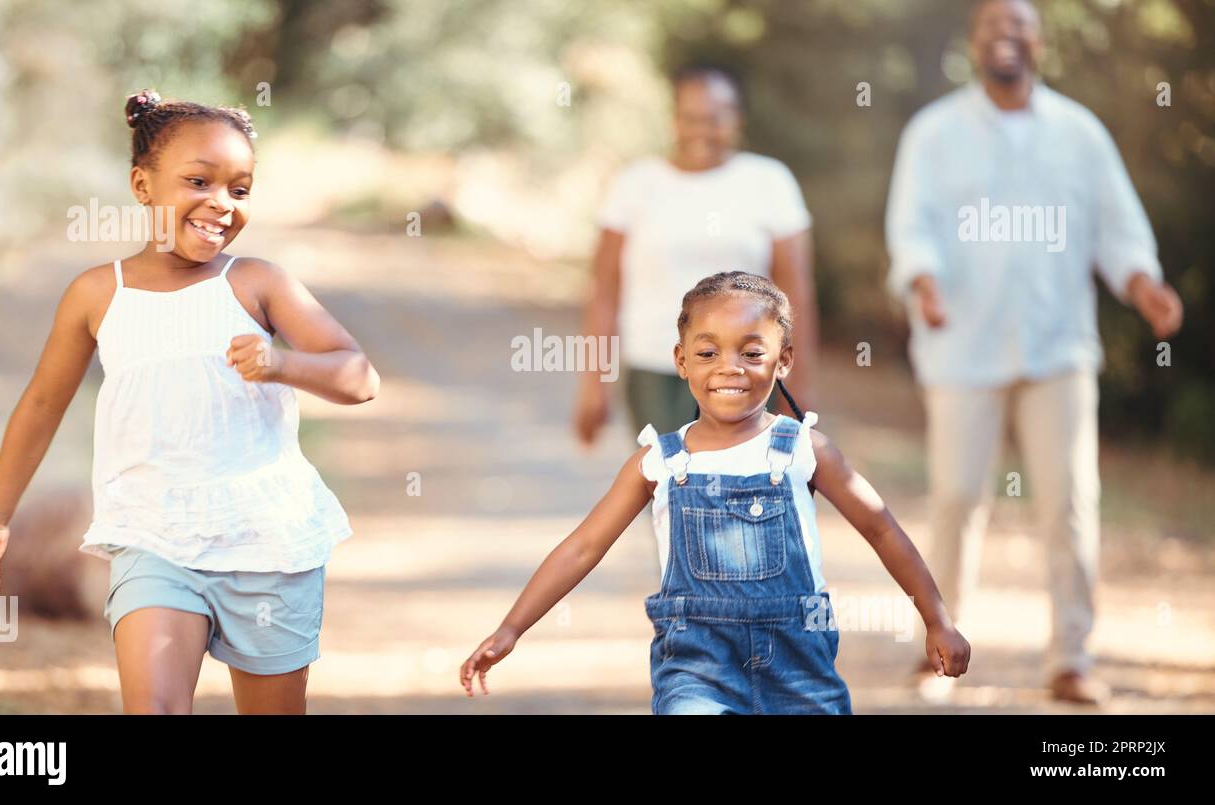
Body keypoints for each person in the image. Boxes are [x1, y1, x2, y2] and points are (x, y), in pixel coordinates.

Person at [0, 89, 380, 714]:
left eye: (240, 189)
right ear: (142, 185)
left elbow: (359, 376)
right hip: (153, 534)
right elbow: (40, 405)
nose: (221, 204)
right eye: (199, 181)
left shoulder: (256, 283)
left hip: (267, 539)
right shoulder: (97, 294)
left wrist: (283, 362)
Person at [461, 272, 969, 714]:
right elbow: (582, 547)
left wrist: (937, 620)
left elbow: (881, 527)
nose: (730, 367)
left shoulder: (805, 450)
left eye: (752, 352)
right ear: (682, 362)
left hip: (799, 667)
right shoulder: (657, 462)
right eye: (708, 353)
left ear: (783, 360)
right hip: (695, 670)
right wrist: (511, 629)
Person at [885, 0, 1183, 705]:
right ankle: (940, 650)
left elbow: (1117, 227)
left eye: (1019, 27)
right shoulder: (934, 134)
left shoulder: (1079, 134)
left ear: (1039, 43)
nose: (1006, 38)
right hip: (963, 345)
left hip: (1058, 348)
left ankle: (1071, 659)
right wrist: (923, 284)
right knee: (957, 498)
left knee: (1070, 502)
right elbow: (911, 224)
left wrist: (1142, 284)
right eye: (992, 27)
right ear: (974, 43)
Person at [574, 63, 819, 446]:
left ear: (736, 119)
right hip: (656, 370)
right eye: (691, 118)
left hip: (746, 371)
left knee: (744, 493)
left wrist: (798, 384)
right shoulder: (635, 185)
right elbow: (604, 290)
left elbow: (796, 291)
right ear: (674, 120)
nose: (703, 130)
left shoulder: (769, 182)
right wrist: (594, 383)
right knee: (666, 493)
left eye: (716, 118)